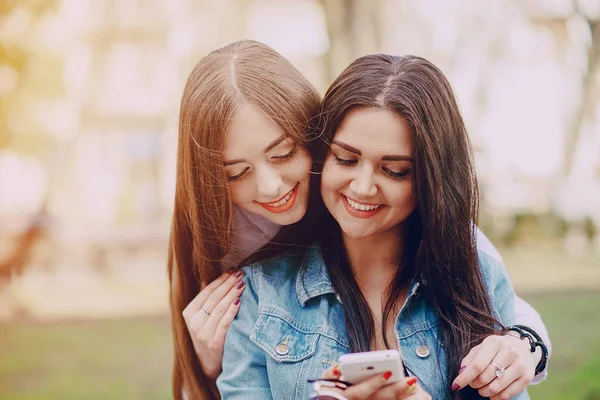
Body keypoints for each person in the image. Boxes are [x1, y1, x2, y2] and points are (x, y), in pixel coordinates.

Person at [169, 41, 550, 399]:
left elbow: (494, 298)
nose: (270, 187)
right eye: (347, 159)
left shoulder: (470, 261)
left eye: (396, 170)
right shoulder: (253, 282)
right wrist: (206, 361)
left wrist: (526, 342)